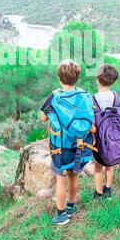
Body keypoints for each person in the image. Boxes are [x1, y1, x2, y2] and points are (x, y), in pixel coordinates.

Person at [40, 59, 93, 225]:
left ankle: (61, 215)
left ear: (59, 77)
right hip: (80, 145)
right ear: (77, 78)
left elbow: (43, 118)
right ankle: (71, 206)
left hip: (61, 147)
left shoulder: (54, 97)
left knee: (61, 180)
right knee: (74, 177)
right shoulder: (84, 95)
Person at [93, 64, 120, 199]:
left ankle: (98, 193)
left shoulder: (93, 98)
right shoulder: (116, 96)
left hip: (99, 138)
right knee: (110, 164)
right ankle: (108, 190)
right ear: (113, 81)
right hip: (114, 136)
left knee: (98, 166)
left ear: (97, 79)